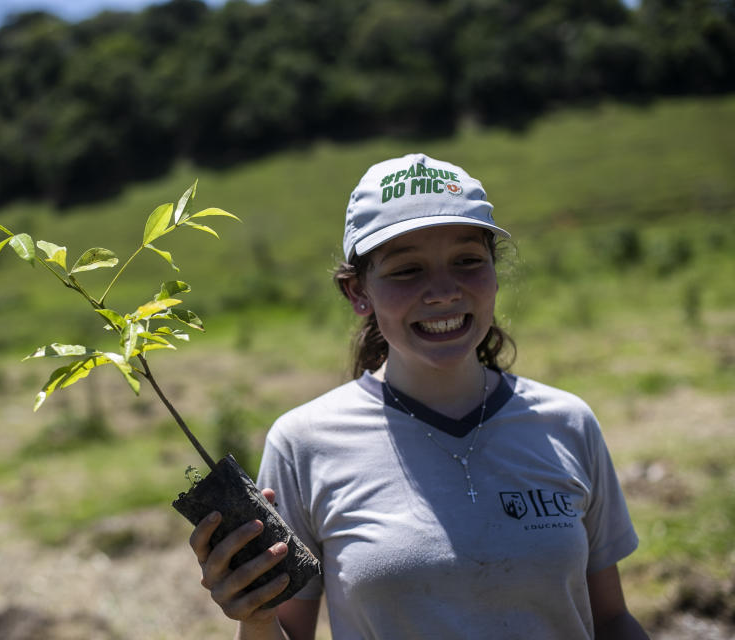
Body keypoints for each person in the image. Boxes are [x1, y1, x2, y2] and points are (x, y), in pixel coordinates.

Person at [188, 153, 649, 639]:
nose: (443, 292)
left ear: (495, 270)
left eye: (468, 261)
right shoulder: (305, 444)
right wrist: (255, 616)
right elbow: (286, 631)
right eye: (408, 270)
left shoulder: (567, 424)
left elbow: (612, 620)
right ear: (357, 293)